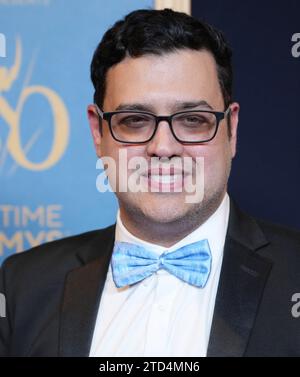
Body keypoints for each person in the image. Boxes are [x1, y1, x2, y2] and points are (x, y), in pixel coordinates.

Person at [0, 8, 300, 358]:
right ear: (98, 132)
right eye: (134, 120)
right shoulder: (22, 286)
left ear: (231, 130)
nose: (163, 147)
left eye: (192, 119)